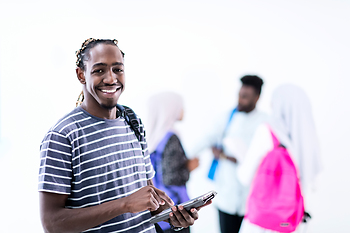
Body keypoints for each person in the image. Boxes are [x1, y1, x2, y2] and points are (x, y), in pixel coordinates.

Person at [38, 38, 208, 233]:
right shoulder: (62, 136)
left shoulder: (132, 120)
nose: (111, 79)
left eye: (118, 69)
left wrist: (173, 216)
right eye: (99, 70)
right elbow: (52, 223)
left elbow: (147, 197)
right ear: (81, 74)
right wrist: (124, 204)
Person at [237, 84, 322, 233]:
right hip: (295, 222)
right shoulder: (310, 138)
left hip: (265, 223)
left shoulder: (267, 131)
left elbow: (244, 177)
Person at [188, 75, 268, 233]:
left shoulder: (265, 122)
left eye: (245, 97)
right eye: (239, 95)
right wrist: (184, 158)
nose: (240, 100)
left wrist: (226, 156)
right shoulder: (226, 117)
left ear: (257, 98)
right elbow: (205, 139)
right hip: (227, 196)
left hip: (252, 198)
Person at [146, 92, 200, 233]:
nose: (183, 110)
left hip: (157, 207)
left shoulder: (152, 137)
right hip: (175, 211)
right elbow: (171, 178)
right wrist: (189, 168)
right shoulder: (171, 137)